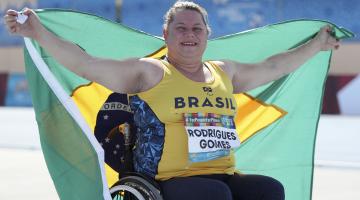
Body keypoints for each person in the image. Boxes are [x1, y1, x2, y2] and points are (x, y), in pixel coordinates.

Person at [4, 1, 339, 200]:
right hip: (166, 182)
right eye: (180, 28)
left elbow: (273, 66)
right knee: (214, 196)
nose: (189, 34)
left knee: (269, 190)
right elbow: (87, 64)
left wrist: (317, 46)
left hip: (223, 175)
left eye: (197, 29)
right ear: (166, 35)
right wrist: (38, 33)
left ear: (208, 35)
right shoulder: (151, 73)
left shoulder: (225, 72)